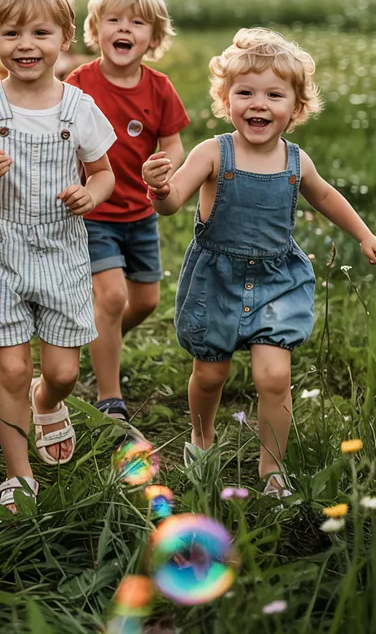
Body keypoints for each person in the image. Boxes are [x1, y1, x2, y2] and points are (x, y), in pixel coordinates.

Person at [142, 28, 376, 498]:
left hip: (276, 280)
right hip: (217, 281)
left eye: (274, 94)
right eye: (244, 93)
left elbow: (327, 196)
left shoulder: (296, 161)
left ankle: (271, 469)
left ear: (296, 107)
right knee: (210, 374)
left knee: (275, 376)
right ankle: (201, 439)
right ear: (226, 99)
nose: (258, 104)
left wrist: (365, 234)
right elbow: (171, 204)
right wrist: (159, 188)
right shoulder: (214, 152)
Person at [0, 0, 116, 511]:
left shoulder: (79, 109)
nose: (26, 45)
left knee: (64, 370)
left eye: (40, 33)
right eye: (12, 34)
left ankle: (48, 403)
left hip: (62, 250)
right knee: (13, 367)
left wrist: (92, 196)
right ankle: (17, 474)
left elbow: (104, 173)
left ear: (65, 40)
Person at [66, 0, 189, 426]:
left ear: (153, 38)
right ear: (95, 30)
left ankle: (101, 340)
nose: (124, 29)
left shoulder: (158, 88)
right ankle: (109, 397)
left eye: (137, 22)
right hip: (94, 213)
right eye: (113, 20)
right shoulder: (78, 84)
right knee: (113, 296)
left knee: (147, 301)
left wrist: (165, 165)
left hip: (140, 214)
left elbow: (173, 144)